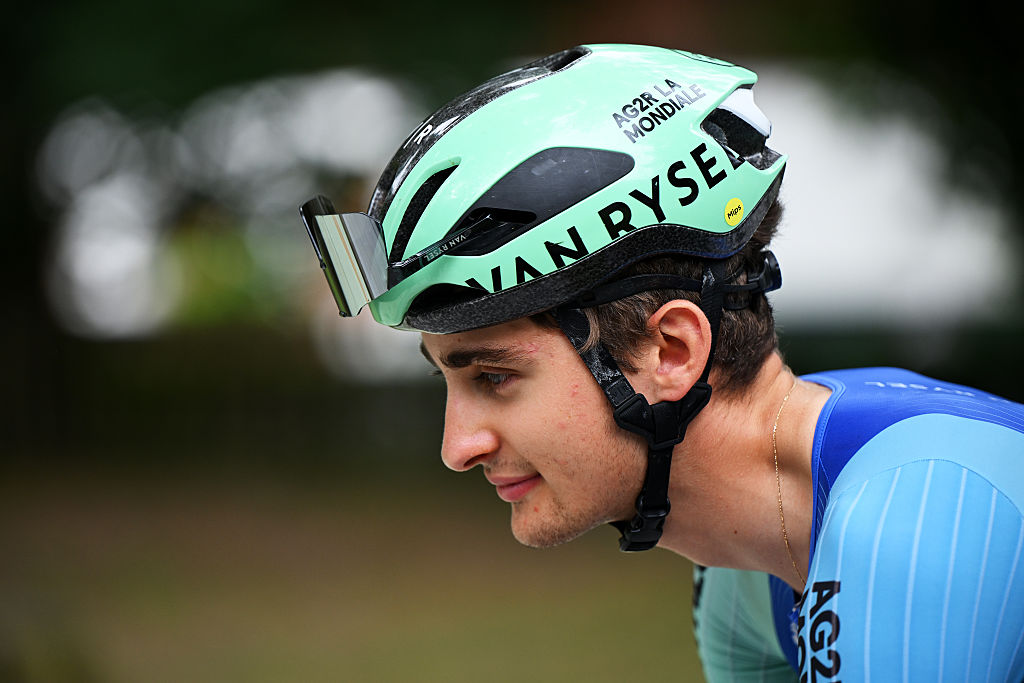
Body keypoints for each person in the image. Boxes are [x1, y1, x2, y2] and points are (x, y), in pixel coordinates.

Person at [298, 44, 1024, 681]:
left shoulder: (915, 508)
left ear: (668, 351)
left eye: (494, 376)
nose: (458, 447)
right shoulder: (749, 562)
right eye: (447, 377)